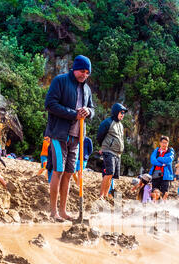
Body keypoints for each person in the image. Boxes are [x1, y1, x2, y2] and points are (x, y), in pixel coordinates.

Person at [44, 54, 95, 221]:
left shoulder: (87, 89)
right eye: (82, 71)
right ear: (74, 69)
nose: (84, 75)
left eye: (87, 73)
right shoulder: (60, 81)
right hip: (59, 134)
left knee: (68, 172)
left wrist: (88, 112)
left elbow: (92, 110)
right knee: (58, 170)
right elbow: (50, 104)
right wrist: (74, 114)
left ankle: (63, 211)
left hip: (77, 137)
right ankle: (53, 212)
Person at [96, 103, 128, 201]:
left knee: (112, 175)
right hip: (108, 151)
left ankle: (105, 195)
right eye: (121, 112)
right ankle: (101, 196)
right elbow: (99, 136)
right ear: (116, 112)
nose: (122, 114)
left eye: (124, 113)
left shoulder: (121, 125)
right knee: (109, 173)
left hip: (118, 153)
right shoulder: (108, 122)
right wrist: (105, 147)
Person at [149, 135, 174, 200]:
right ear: (160, 143)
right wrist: (161, 164)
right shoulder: (156, 150)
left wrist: (159, 158)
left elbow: (168, 160)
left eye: (166, 143)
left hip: (166, 175)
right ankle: (154, 206)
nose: (164, 144)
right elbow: (152, 160)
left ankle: (162, 207)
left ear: (168, 143)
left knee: (164, 192)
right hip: (155, 174)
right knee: (154, 191)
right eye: (163, 142)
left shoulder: (170, 151)